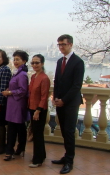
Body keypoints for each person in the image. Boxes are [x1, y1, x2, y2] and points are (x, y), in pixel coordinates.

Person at [52, 34, 84, 174]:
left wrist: (64, 100)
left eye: (63, 44)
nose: (61, 47)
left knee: (70, 132)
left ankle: (69, 161)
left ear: (70, 44)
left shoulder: (78, 62)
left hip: (71, 103)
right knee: (64, 131)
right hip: (60, 102)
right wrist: (56, 98)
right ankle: (66, 156)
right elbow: (57, 81)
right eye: (59, 44)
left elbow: (76, 86)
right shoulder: (60, 61)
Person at [2, 50, 29, 161]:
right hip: (13, 104)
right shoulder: (17, 72)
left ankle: (10, 151)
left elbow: (23, 90)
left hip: (18, 104)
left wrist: (10, 93)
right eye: (14, 59)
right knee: (18, 128)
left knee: (15, 129)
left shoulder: (22, 74)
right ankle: (19, 148)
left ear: (24, 61)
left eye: (18, 59)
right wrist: (10, 90)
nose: (15, 61)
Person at [28, 54, 50, 168]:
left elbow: (44, 96)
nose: (34, 65)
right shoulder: (33, 77)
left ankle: (38, 160)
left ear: (42, 63)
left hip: (39, 110)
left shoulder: (44, 78)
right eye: (33, 63)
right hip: (32, 108)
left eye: (37, 63)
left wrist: (38, 110)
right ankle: (41, 155)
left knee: (37, 134)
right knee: (36, 133)